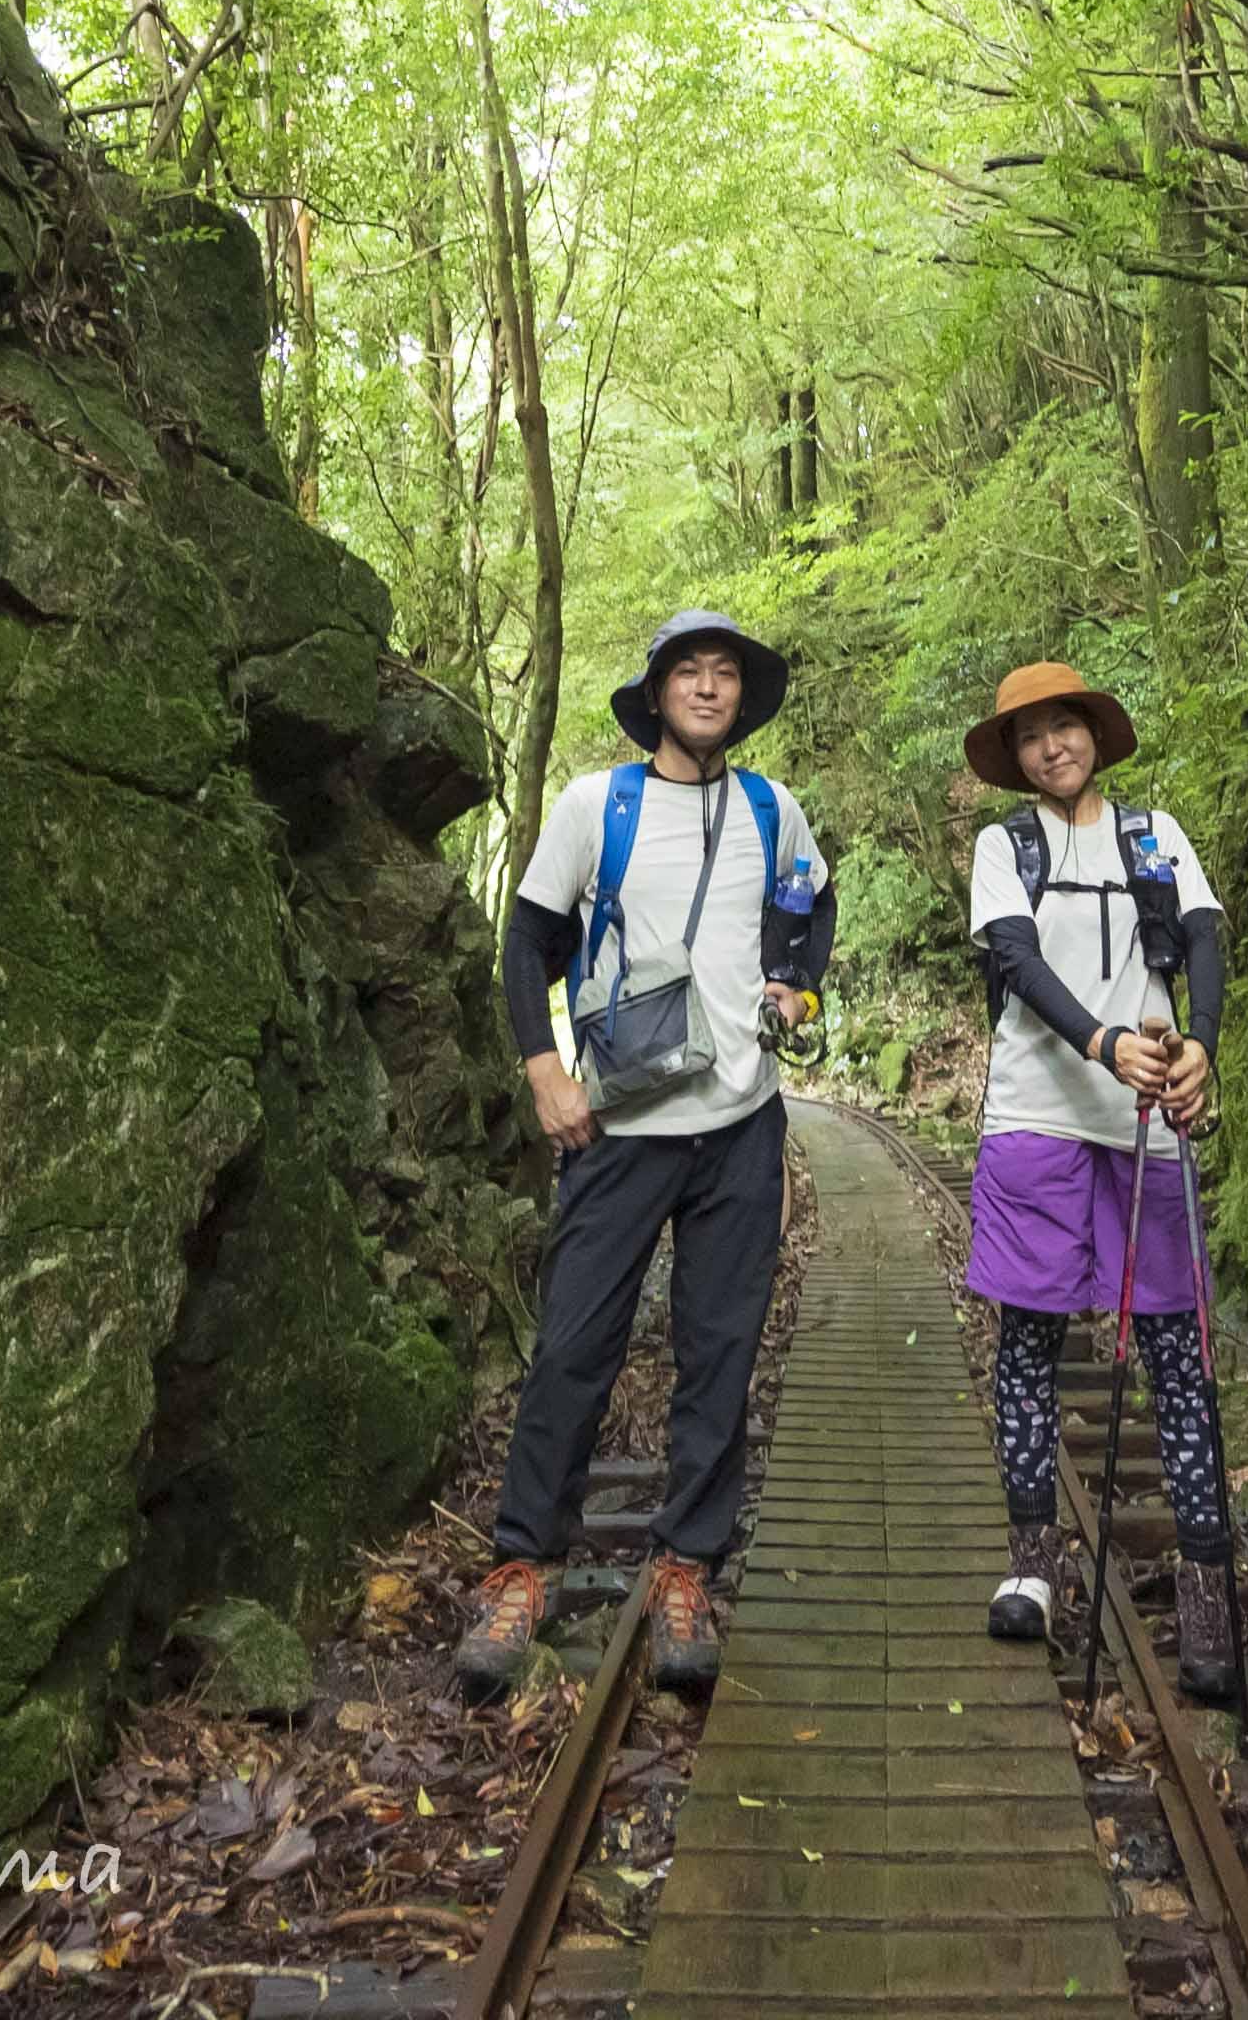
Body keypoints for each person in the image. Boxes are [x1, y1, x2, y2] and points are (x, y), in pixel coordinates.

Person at [454, 609, 832, 1700]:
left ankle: (685, 1570)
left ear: (740, 700)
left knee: (720, 1354)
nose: (708, 689)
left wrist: (798, 983)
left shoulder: (773, 808)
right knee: (573, 1344)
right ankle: (523, 1567)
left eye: (725, 676)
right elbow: (527, 942)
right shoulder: (594, 806)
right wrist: (542, 1070)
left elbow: (814, 906)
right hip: (618, 1126)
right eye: (689, 673)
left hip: (741, 1128)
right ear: (658, 693)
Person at [960, 658, 1244, 1702]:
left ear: (1093, 732)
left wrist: (1199, 1045)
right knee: (1028, 1340)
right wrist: (1100, 1040)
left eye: (1063, 727)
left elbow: (1206, 937)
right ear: (1017, 758)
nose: (1051, 748)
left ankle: (1208, 1587)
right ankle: (1034, 1558)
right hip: (1038, 1118)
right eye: (1030, 737)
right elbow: (1017, 961)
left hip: (1150, 1128)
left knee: (1179, 1350)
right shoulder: (1007, 845)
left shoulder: (1154, 836)